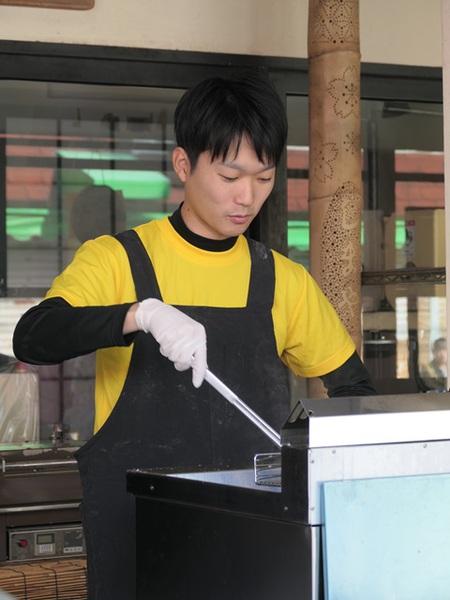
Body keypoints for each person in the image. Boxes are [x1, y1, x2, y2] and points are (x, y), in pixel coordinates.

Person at [13, 73, 376, 600]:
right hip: (139, 541)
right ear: (184, 164)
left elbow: (355, 396)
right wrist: (141, 314)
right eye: (230, 175)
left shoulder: (282, 281)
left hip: (258, 545)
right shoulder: (117, 259)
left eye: (264, 177)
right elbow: (33, 337)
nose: (248, 197)